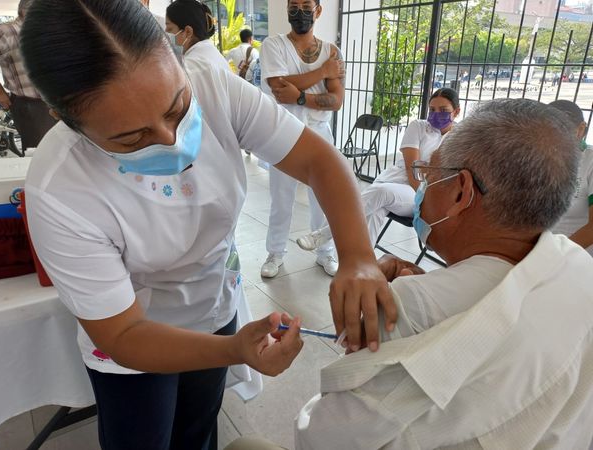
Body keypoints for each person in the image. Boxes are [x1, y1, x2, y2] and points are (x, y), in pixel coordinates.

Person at [20, 0, 395, 449]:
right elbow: (122, 334)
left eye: (177, 108)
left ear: (175, 50)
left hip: (214, 306)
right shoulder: (60, 189)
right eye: (131, 138)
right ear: (65, 119)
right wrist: (233, 351)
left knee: (199, 432)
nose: (170, 139)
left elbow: (319, 160)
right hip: (135, 345)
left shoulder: (215, 88)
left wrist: (358, 257)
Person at [228, 99, 593, 449]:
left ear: (461, 192)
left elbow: (321, 436)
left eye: (429, 174)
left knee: (243, 445)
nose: (422, 189)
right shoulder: (580, 270)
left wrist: (362, 346)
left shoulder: (411, 306)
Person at [296, 88, 460, 251]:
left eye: (443, 110)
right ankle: (363, 266)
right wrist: (428, 169)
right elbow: (413, 170)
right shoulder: (418, 126)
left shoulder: (458, 140)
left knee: (381, 193)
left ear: (456, 111)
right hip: (395, 182)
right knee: (375, 210)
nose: (436, 114)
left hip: (424, 196)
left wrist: (425, 198)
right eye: (432, 109)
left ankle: (324, 234)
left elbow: (448, 175)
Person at [259, 0, 346, 278]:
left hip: (320, 133)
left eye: (306, 6)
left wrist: (298, 95)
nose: (299, 12)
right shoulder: (273, 45)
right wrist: (322, 73)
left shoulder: (332, 51)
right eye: (293, 6)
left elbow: (335, 101)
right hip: (283, 131)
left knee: (324, 196)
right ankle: (275, 253)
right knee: (281, 197)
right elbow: (278, 86)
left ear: (318, 11)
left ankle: (325, 252)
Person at [0, 0, 56, 151]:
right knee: (41, 152)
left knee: (59, 149)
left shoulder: (40, 31)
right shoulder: (6, 31)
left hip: (53, 102)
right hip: (31, 106)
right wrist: (0, 93)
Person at [549, 100, 593, 255]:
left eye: (561, 130)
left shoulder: (589, 162)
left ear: (580, 129)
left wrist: (556, 256)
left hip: (577, 258)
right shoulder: (540, 160)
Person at [165, 0, 229, 73]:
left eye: (169, 28)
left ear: (188, 32)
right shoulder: (211, 54)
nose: (165, 33)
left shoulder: (192, 66)